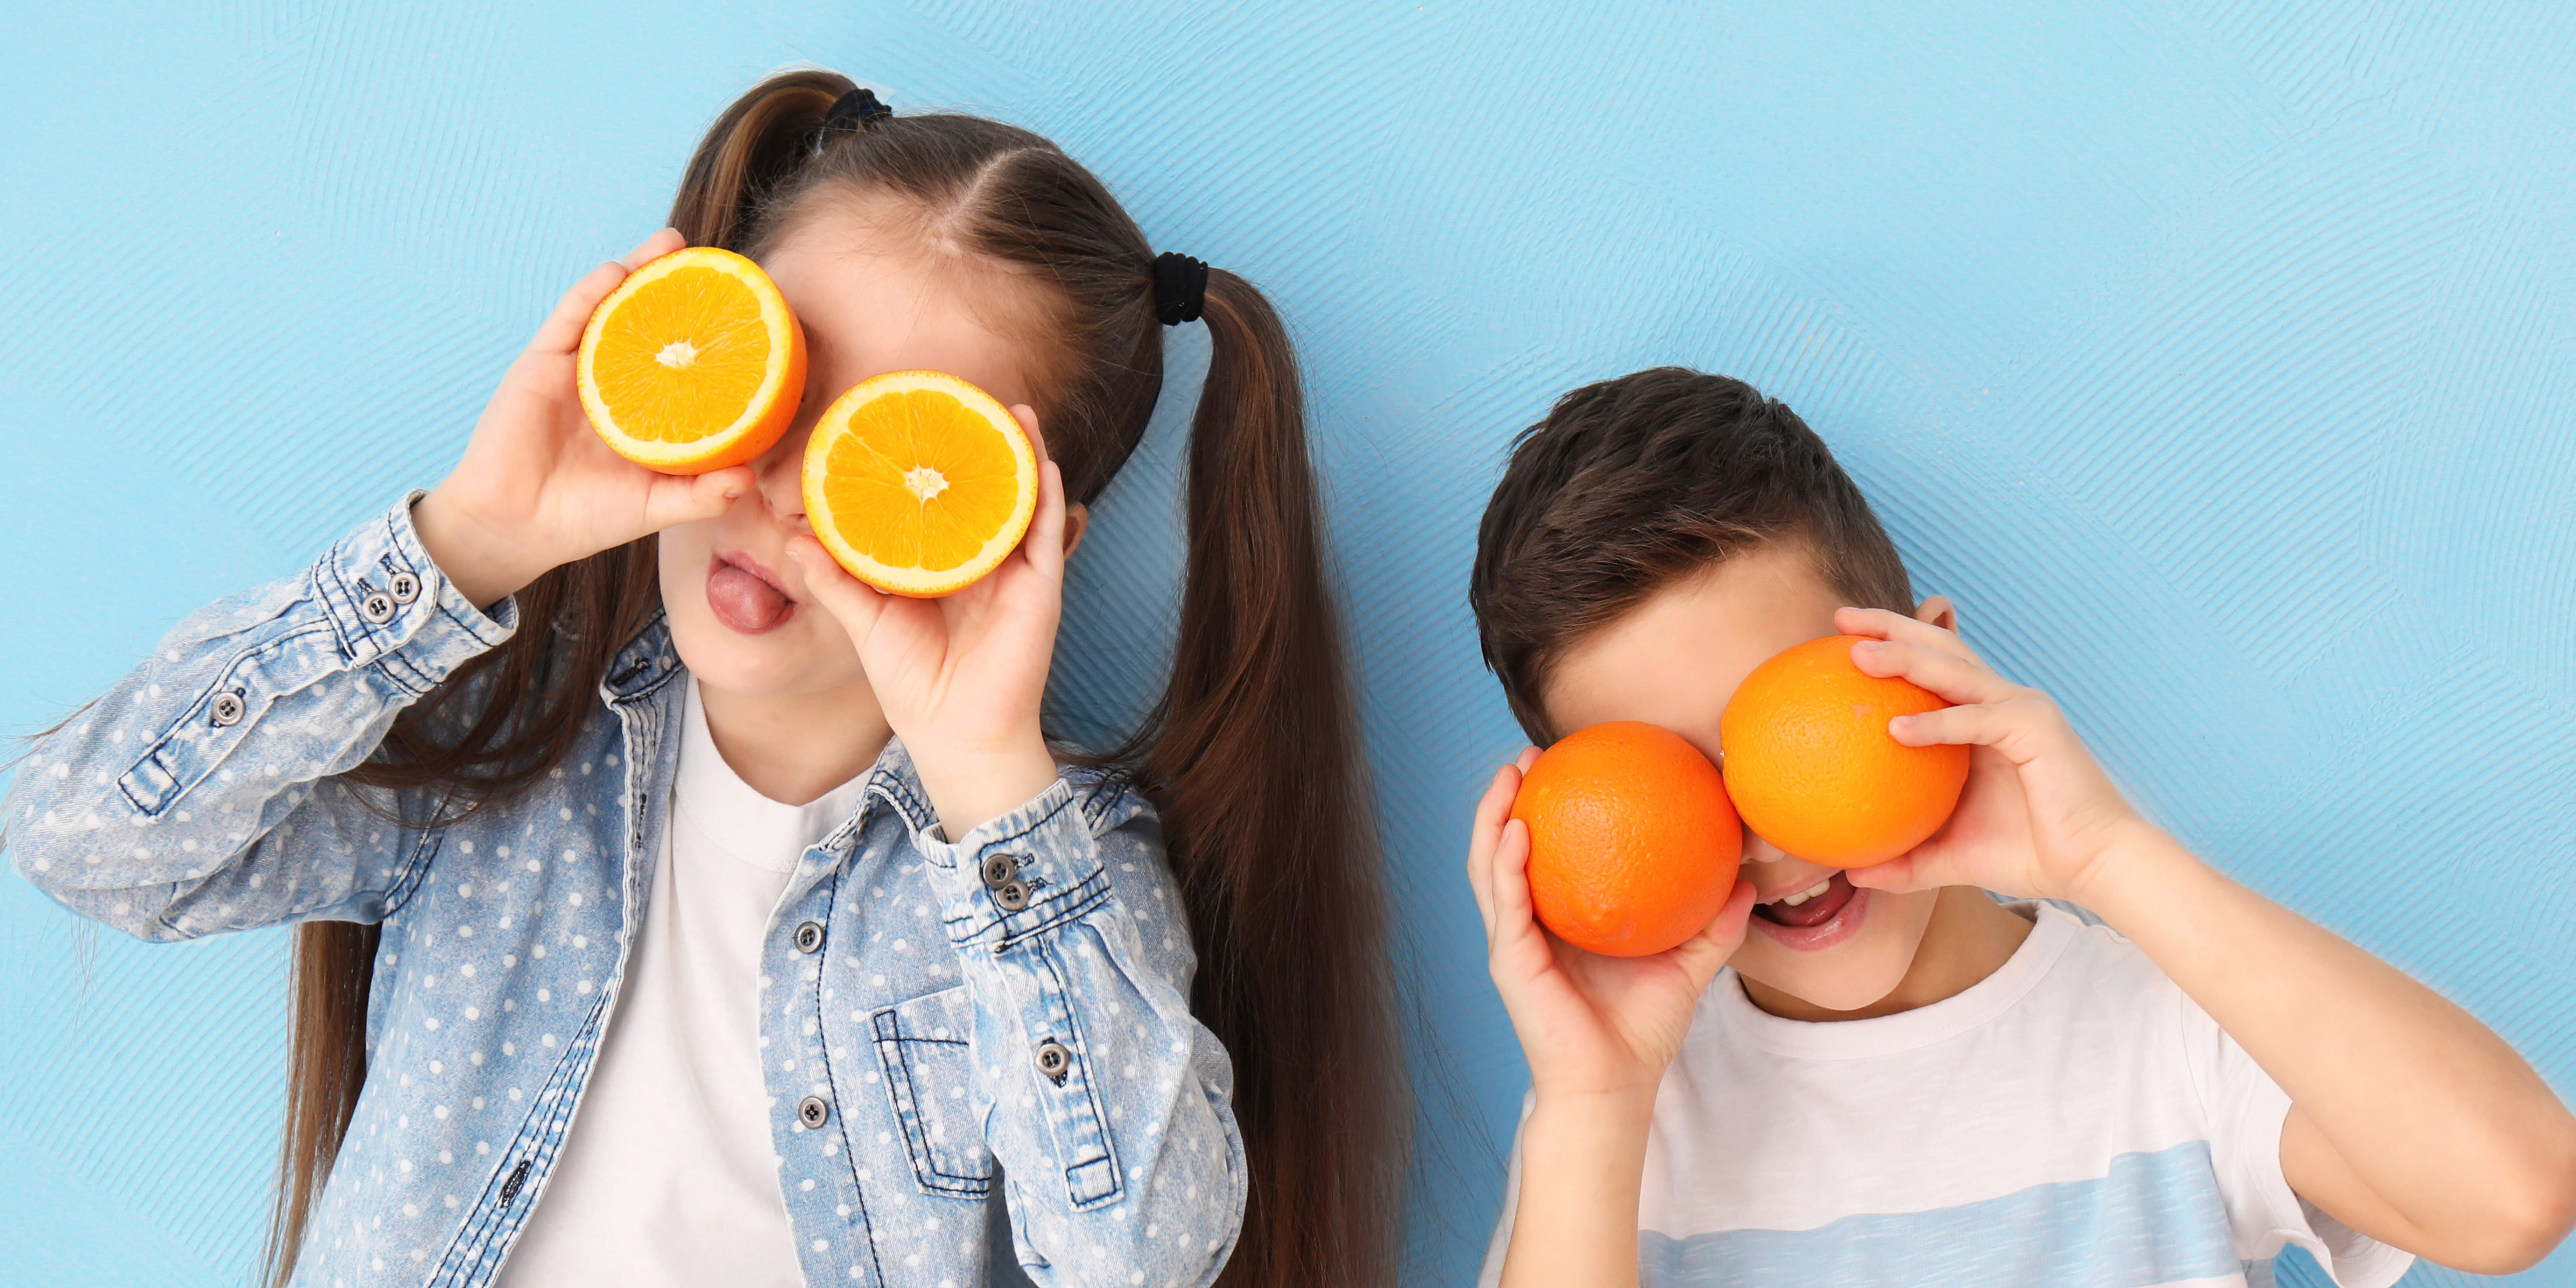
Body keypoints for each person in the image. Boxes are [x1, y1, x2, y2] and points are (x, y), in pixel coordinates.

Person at [3, 70, 1405, 1288]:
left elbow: (1141, 1259)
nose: (785, 497)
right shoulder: (509, 746)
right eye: (777, 396)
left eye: (895, 460)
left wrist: (990, 781)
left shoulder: (1057, 867)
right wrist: (463, 545)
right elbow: (84, 836)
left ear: (1019, 532)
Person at [1460, 367, 2576, 1287]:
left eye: (1789, 736)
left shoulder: (2168, 1038)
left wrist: (2108, 857)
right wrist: (1594, 1106)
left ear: (1932, 671)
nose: (1763, 838)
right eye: (1674, 782)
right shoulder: (1616, 1130)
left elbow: (2514, 1197)